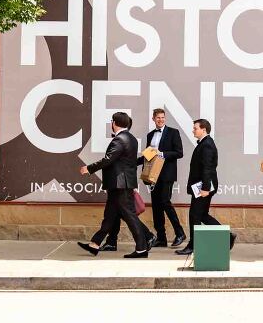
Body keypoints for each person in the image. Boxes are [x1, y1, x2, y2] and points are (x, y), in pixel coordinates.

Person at [76, 112, 149, 258]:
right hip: (121, 184)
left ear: (114, 123)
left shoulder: (119, 140)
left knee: (130, 216)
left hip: (119, 185)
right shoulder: (131, 138)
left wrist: (89, 168)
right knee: (109, 216)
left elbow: (108, 159)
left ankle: (142, 248)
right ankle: (94, 244)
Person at [175, 118, 236, 255]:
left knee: (194, 215)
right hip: (202, 186)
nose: (193, 130)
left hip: (203, 187)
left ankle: (192, 245)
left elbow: (208, 168)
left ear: (204, 129)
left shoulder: (207, 144)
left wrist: (205, 188)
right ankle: (227, 236)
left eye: (195, 128)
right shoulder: (205, 143)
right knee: (202, 215)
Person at [138, 108, 186, 247]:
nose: (161, 120)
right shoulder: (150, 135)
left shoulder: (173, 132)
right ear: (153, 119)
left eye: (163, 117)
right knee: (156, 206)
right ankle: (161, 238)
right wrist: (132, 163)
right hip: (152, 174)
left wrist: (162, 154)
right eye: (158, 118)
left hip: (167, 174)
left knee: (165, 202)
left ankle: (180, 233)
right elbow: (147, 156)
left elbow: (179, 153)